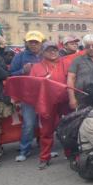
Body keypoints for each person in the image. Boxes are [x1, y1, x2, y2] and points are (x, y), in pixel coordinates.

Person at [28, 41, 69, 169]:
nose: (52, 52)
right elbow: (32, 88)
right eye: (49, 50)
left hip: (65, 102)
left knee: (68, 129)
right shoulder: (36, 67)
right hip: (47, 104)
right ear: (43, 52)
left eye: (55, 50)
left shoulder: (66, 63)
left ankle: (71, 154)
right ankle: (44, 158)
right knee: (46, 132)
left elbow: (73, 80)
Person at [10, 31, 44, 162]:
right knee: (29, 124)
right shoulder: (20, 56)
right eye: (31, 42)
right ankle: (25, 150)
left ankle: (46, 148)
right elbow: (11, 74)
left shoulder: (46, 55)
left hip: (44, 95)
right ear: (27, 43)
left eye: (36, 42)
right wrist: (22, 71)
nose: (34, 44)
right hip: (28, 96)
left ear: (41, 43)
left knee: (45, 123)